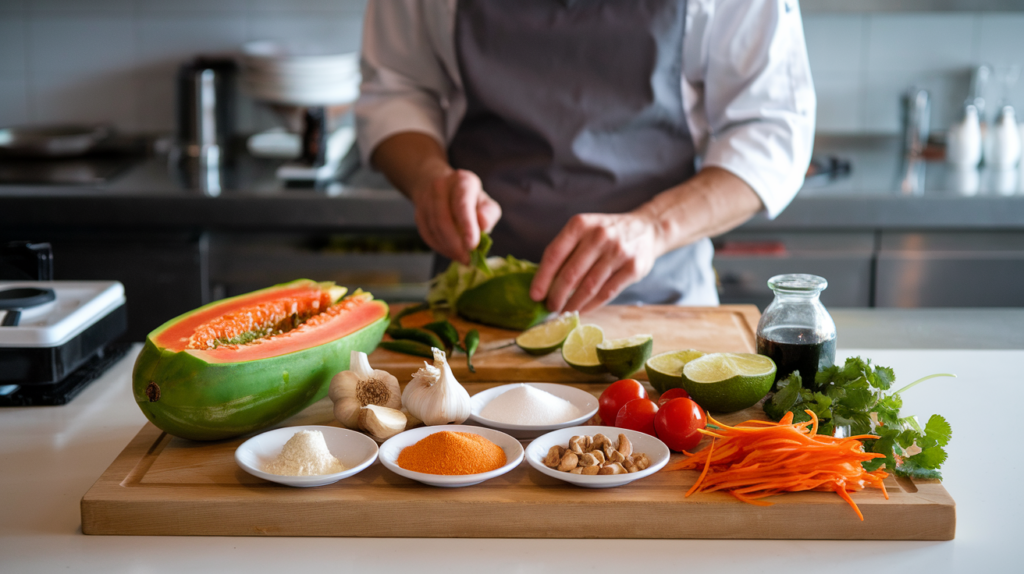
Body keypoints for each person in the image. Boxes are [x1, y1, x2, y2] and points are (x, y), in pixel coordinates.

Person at [355, 0, 815, 314]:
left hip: (660, 305)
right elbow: (397, 91)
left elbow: (771, 128)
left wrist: (654, 227)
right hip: (474, 304)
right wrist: (428, 180)